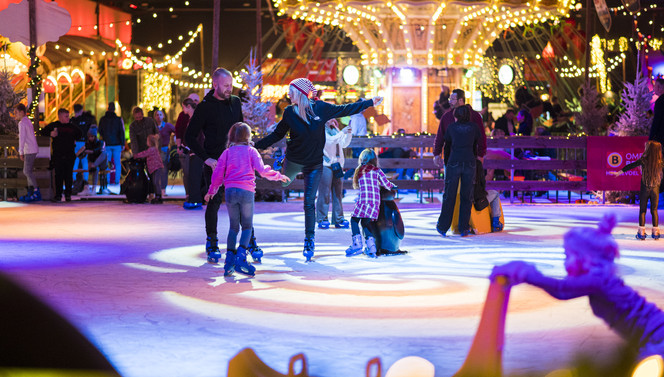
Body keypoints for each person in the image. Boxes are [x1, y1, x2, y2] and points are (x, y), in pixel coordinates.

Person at [490, 213, 664, 361]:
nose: (565, 262)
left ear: (585, 258)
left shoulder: (598, 280)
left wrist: (526, 272)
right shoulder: (599, 280)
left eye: (567, 255)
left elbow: (561, 289)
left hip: (658, 339)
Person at [255, 78, 382, 261]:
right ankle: (282, 176)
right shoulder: (290, 112)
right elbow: (277, 134)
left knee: (308, 202)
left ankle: (309, 239)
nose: (289, 95)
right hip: (294, 160)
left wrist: (369, 102)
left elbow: (345, 109)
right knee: (285, 183)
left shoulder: (320, 108)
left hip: (314, 164)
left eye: (291, 91)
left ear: (299, 92)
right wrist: (256, 146)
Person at [186, 68, 263, 264]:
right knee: (213, 202)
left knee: (244, 204)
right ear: (215, 85)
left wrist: (246, 144)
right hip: (214, 163)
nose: (230, 89)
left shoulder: (235, 102)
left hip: (237, 163)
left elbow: (240, 129)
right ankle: (212, 242)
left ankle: (250, 242)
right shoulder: (204, 107)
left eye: (231, 85)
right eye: (226, 86)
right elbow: (189, 136)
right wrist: (206, 158)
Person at [204, 122, 290, 275]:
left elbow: (217, 174)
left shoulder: (227, 153)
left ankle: (229, 261)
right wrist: (278, 176)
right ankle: (241, 258)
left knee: (233, 227)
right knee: (247, 227)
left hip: (230, 191)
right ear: (248, 136)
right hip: (246, 191)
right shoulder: (252, 151)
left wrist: (212, 190)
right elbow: (262, 171)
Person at [436, 105, 482, 237]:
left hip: (454, 162)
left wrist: (447, 162)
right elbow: (476, 144)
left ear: (457, 116)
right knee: (466, 196)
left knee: (449, 195)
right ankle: (464, 227)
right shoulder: (474, 128)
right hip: (469, 162)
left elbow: (447, 145)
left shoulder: (451, 128)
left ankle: (443, 226)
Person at [345, 148, 396, 258]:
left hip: (364, 200)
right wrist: (393, 186)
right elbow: (386, 184)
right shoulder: (377, 170)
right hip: (374, 202)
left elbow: (358, 185)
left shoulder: (360, 170)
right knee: (365, 223)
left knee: (354, 220)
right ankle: (371, 246)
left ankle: (357, 244)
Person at [610, 141, 663, 240]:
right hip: (655, 189)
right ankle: (656, 232)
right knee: (654, 210)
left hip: (645, 188)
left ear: (649, 150)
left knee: (642, 210)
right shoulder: (660, 162)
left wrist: (619, 172)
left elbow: (631, 165)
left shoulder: (644, 160)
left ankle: (641, 232)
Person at [433, 89, 486, 168]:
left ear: (461, 100)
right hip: (451, 159)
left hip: (469, 159)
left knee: (468, 179)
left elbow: (481, 137)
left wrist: (480, 154)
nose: (450, 102)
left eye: (452, 99)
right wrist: (437, 153)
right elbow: (440, 136)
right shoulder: (446, 117)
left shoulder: (475, 116)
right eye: (449, 99)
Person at [40, 108, 82, 202]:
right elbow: (42, 131)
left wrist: (74, 139)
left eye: (68, 116)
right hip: (58, 154)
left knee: (68, 175)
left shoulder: (72, 127)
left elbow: (80, 133)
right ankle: (58, 195)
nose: (68, 118)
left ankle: (68, 195)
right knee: (58, 176)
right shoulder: (55, 125)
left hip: (69, 155)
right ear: (60, 117)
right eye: (66, 116)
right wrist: (50, 133)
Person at [316, 118, 352, 229]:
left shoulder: (335, 129)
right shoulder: (321, 129)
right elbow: (330, 141)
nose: (333, 118)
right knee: (324, 193)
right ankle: (322, 219)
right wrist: (342, 132)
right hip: (326, 164)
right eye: (331, 115)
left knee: (338, 193)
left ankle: (338, 219)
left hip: (337, 165)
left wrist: (349, 134)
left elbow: (344, 144)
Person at [174, 94, 201, 209]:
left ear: (188, 106)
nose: (183, 110)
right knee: (191, 176)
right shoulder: (191, 118)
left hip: (196, 151)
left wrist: (192, 147)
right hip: (192, 150)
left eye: (184, 107)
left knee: (194, 176)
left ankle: (195, 200)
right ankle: (193, 199)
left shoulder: (195, 118)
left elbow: (198, 136)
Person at [16, 103, 41, 202]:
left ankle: (36, 192)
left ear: (22, 112)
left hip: (29, 149)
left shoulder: (22, 123)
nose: (15, 115)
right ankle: (31, 192)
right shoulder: (27, 121)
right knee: (28, 171)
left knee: (27, 171)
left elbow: (22, 138)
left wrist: (20, 151)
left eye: (16, 112)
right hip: (32, 149)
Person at [98, 102, 125, 186]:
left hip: (107, 143)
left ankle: (108, 180)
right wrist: (122, 143)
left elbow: (100, 131)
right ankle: (117, 181)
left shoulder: (103, 119)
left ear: (107, 108)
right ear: (114, 109)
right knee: (117, 163)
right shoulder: (118, 119)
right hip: (117, 144)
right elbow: (121, 132)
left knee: (108, 162)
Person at [134, 134, 165, 204]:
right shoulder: (153, 149)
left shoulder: (152, 149)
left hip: (157, 167)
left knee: (156, 182)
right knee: (154, 182)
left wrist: (136, 156)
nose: (146, 142)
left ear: (150, 142)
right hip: (155, 168)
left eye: (147, 141)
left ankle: (158, 196)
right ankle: (157, 195)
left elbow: (144, 154)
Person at [71, 104, 96, 183]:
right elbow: (92, 119)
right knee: (84, 160)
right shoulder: (85, 119)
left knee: (75, 161)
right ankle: (85, 179)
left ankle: (74, 179)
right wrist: (86, 113)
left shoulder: (72, 120)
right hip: (83, 143)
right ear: (81, 110)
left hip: (74, 142)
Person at [153, 109, 175, 197]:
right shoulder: (153, 127)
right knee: (155, 171)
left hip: (164, 150)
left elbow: (176, 131)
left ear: (163, 116)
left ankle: (163, 189)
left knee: (163, 170)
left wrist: (174, 141)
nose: (159, 116)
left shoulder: (168, 126)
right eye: (157, 115)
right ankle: (156, 190)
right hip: (154, 151)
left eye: (160, 114)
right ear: (155, 117)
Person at [81, 128, 108, 195]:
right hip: (93, 163)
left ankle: (94, 165)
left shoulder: (100, 142)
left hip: (102, 163)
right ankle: (93, 188)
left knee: (104, 153)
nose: (90, 138)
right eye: (89, 136)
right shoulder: (87, 144)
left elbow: (99, 150)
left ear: (95, 136)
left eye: (92, 136)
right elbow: (84, 155)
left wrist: (92, 152)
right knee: (95, 169)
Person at [649, 78, 664, 149]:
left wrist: (651, 138)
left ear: (659, 87)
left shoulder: (660, 101)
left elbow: (657, 120)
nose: (653, 88)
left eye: (654, 86)